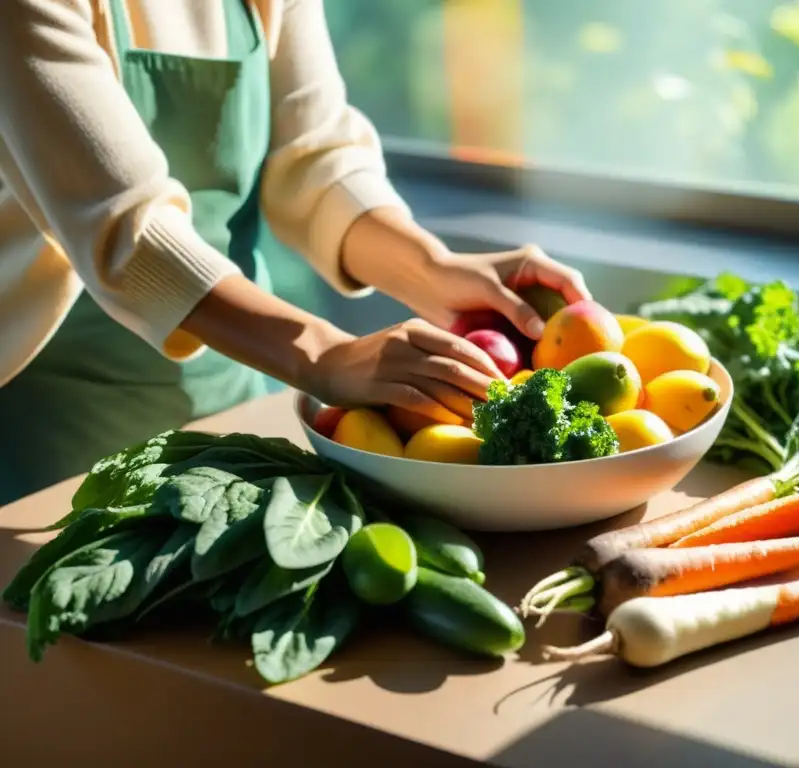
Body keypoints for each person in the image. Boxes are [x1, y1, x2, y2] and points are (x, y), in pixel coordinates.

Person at [0, 0, 590, 504]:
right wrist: (325, 354)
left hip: (235, 388)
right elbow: (128, 231)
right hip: (49, 426)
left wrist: (432, 269)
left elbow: (314, 157)